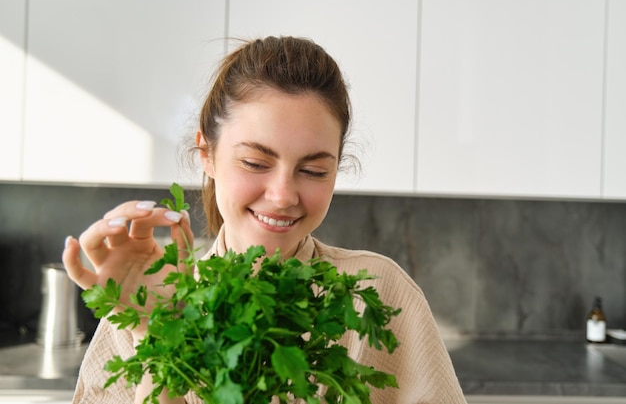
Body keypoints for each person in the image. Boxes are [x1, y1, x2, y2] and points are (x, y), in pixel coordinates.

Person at [62, 36, 467, 404]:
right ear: (206, 153)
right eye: (255, 162)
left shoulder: (378, 291)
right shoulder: (140, 305)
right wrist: (157, 336)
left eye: (313, 171)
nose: (283, 196)